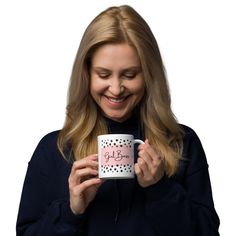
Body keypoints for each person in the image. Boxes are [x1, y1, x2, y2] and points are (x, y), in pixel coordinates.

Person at [16, 5, 220, 236]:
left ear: (149, 75)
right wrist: (71, 211)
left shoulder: (183, 143)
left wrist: (161, 190)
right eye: (103, 74)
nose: (115, 89)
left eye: (130, 74)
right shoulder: (53, 149)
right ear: (86, 74)